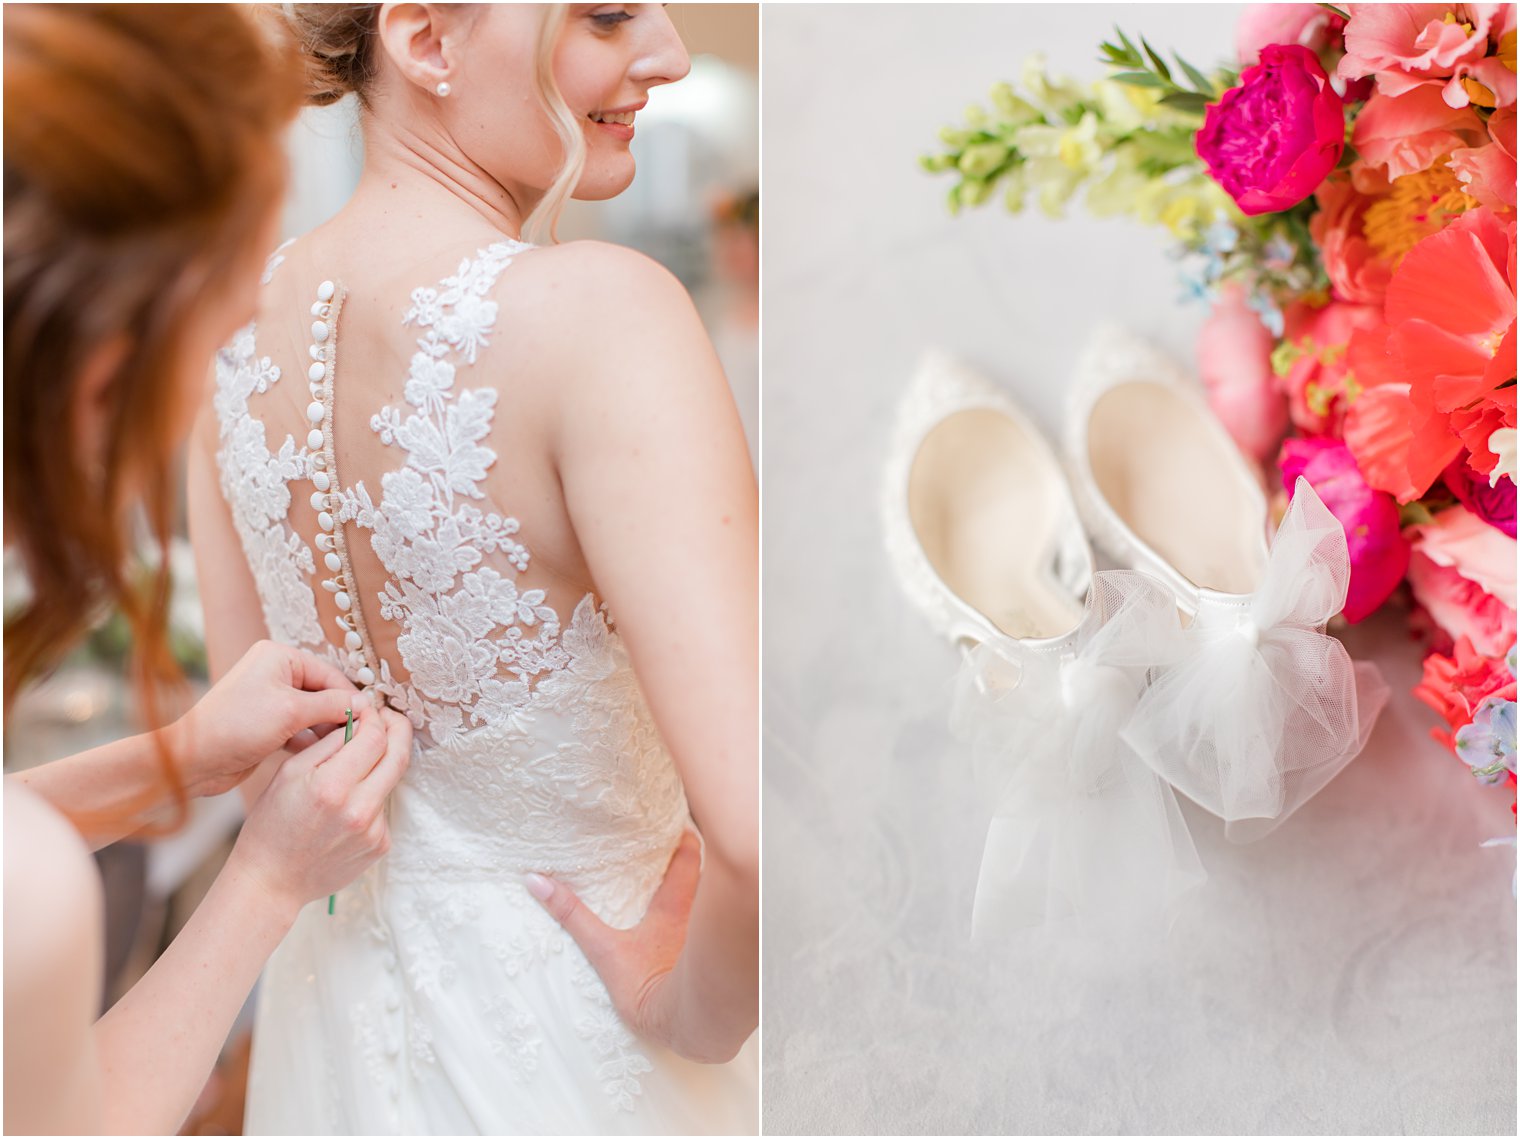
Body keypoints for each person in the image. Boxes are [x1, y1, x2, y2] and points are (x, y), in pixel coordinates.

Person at [187, 2, 759, 1131]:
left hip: (334, 1030)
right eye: (604, 12)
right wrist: (693, 1014)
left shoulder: (227, 336)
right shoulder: (603, 313)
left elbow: (260, 766)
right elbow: (754, 833)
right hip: (584, 1035)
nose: (670, 55)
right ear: (427, 41)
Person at [3, 7, 412, 1134]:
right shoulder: (29, 897)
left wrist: (176, 761)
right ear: (106, 364)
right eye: (226, 333)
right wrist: (265, 880)